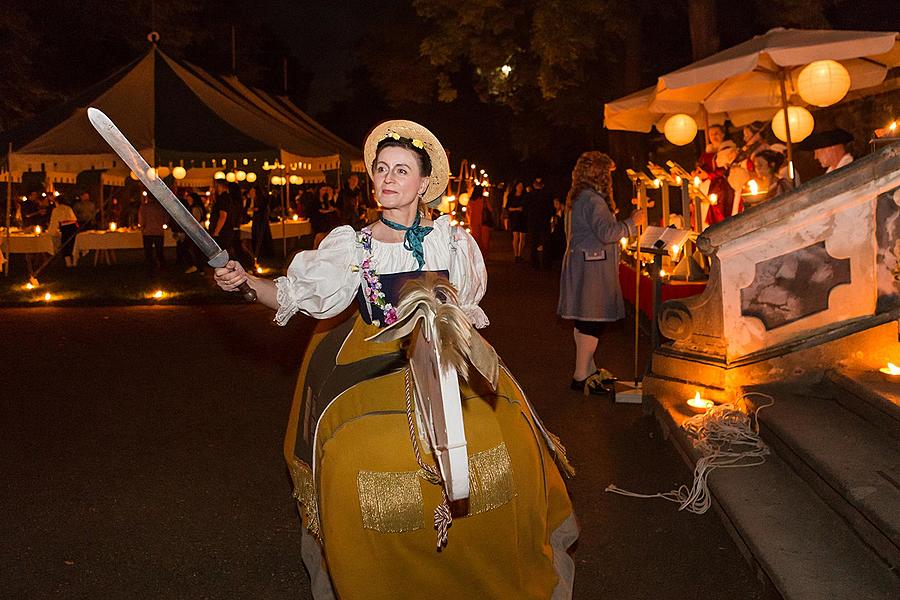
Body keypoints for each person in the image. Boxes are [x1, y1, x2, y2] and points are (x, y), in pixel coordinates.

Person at [214, 120, 576, 599]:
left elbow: (466, 309)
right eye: (381, 168)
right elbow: (292, 294)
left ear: (425, 182)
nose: (386, 178)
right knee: (355, 456)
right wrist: (246, 283)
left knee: (508, 439)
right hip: (376, 354)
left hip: (446, 351)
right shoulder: (352, 245)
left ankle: (488, 567)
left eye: (400, 170)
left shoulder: (453, 241)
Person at [558, 151, 647, 395]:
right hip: (593, 269)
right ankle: (581, 376)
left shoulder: (580, 197)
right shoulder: (593, 200)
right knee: (592, 321)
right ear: (599, 174)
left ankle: (588, 370)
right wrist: (632, 222)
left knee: (585, 320)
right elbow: (607, 233)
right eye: (606, 173)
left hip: (584, 265)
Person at [525, 177, 554, 269]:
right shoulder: (547, 195)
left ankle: (534, 263)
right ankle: (546, 263)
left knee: (534, 242)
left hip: (533, 222)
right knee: (546, 242)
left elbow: (526, 209)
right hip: (544, 221)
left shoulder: (530, 195)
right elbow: (551, 209)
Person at [138, 196, 169, 273]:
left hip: (147, 232)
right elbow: (166, 219)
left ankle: (150, 268)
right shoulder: (161, 207)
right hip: (159, 232)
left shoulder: (144, 207)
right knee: (160, 251)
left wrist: (142, 228)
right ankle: (162, 266)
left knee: (148, 252)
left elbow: (141, 219)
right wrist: (164, 225)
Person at [48, 196, 79, 267]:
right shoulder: (68, 208)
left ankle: (69, 264)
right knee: (73, 244)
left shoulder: (56, 209)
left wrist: (50, 232)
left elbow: (54, 222)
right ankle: (74, 262)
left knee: (65, 245)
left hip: (66, 228)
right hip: (74, 227)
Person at [506, 180, 527, 261]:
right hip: (514, 217)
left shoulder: (525, 196)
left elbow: (527, 206)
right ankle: (516, 255)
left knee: (522, 237)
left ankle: (519, 254)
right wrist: (516, 209)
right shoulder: (511, 196)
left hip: (523, 217)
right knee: (515, 236)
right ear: (515, 187)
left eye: (521, 186)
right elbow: (508, 207)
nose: (520, 188)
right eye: (519, 186)